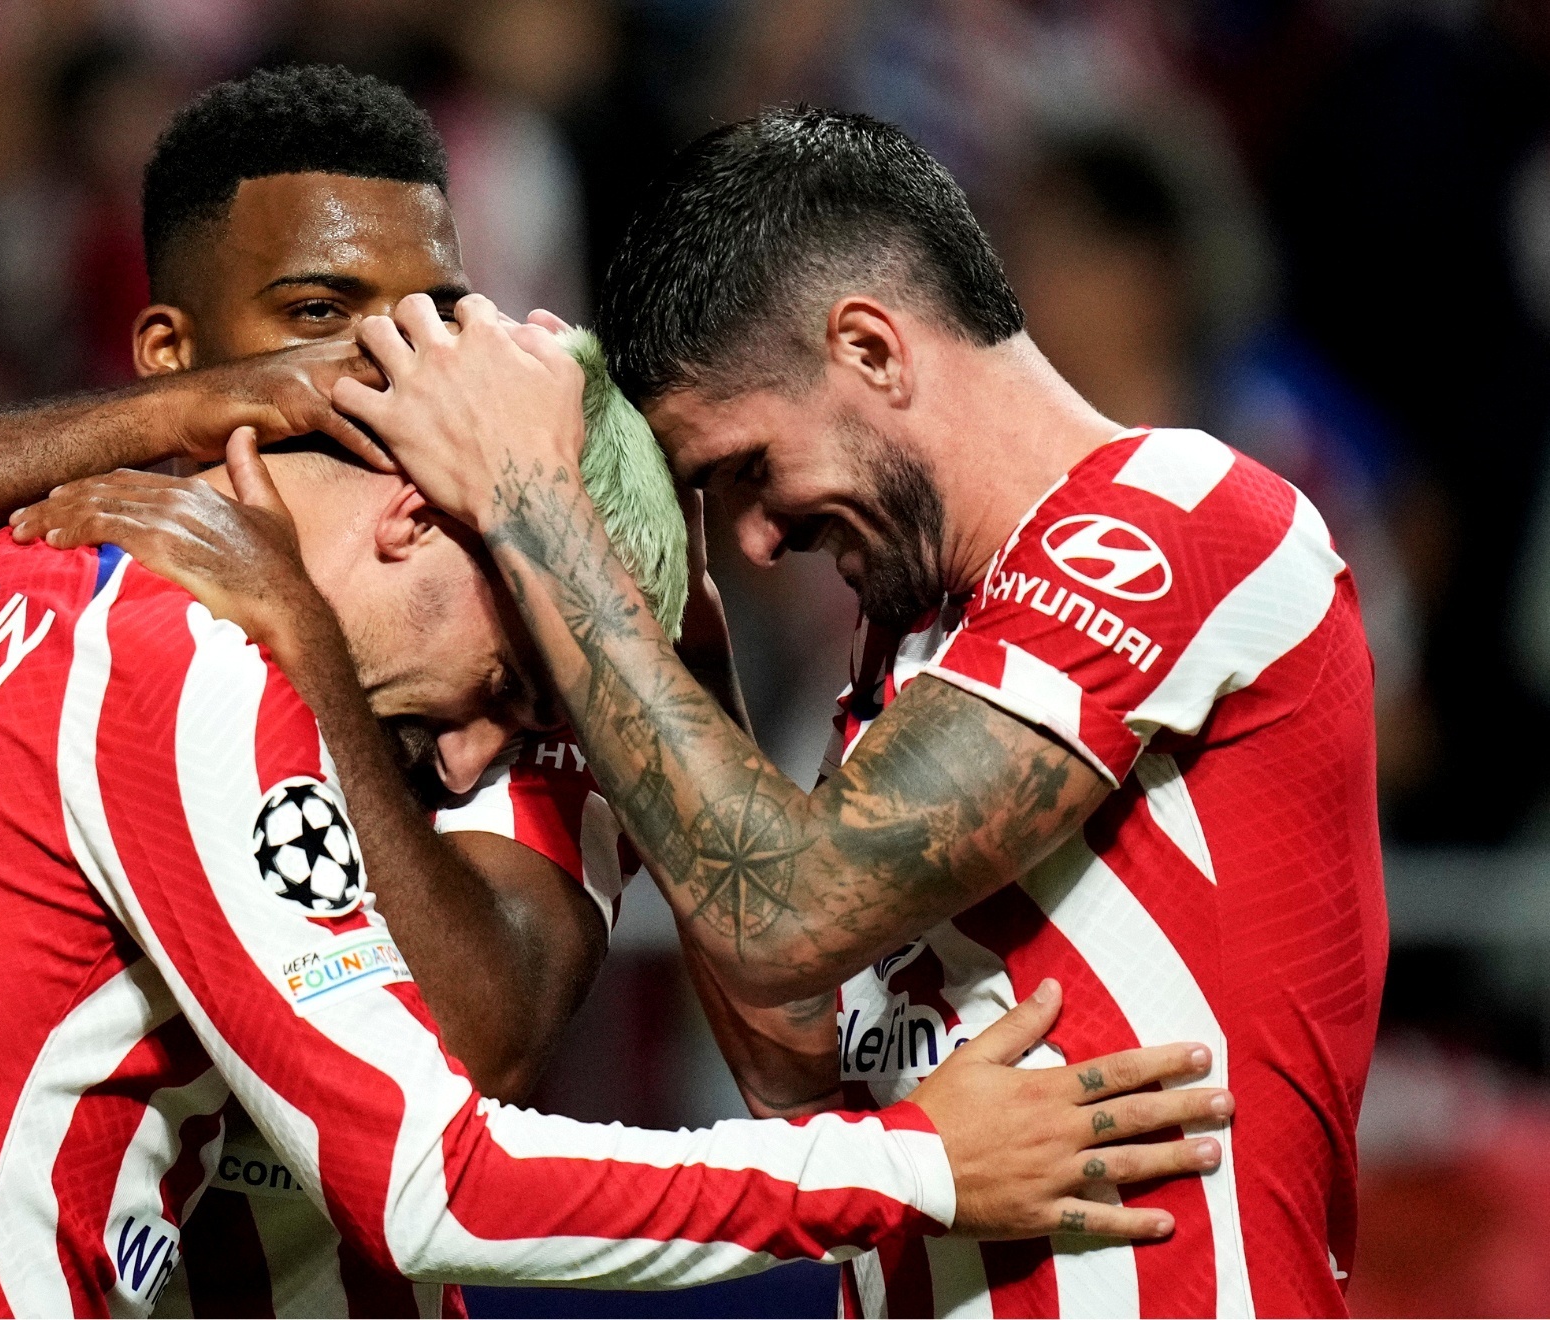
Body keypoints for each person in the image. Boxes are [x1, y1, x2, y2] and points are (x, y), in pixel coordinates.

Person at [0, 333, 1226, 1314]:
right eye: (510, 678)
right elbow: (437, 1185)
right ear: (419, 517)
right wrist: (912, 1170)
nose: (474, 751)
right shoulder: (193, 674)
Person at [326, 107, 1384, 1318]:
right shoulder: (914, 643)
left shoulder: (1180, 515)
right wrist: (675, 656)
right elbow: (801, 1078)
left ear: (872, 350)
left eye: (749, 471)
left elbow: (787, 914)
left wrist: (534, 508)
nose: (760, 542)